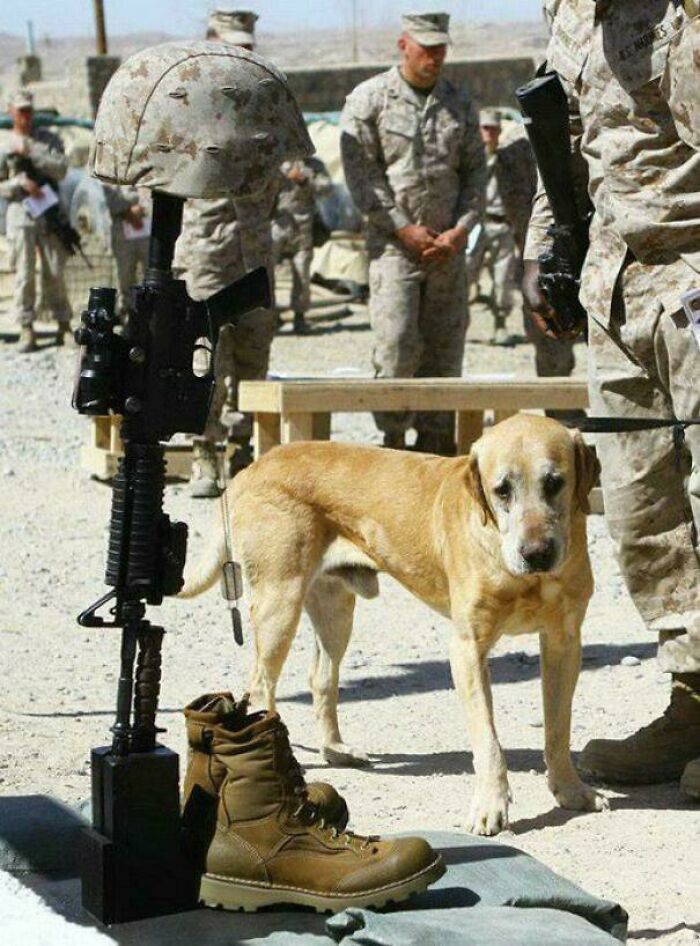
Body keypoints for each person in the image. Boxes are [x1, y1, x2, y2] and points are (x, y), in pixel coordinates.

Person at [523, 0, 700, 797]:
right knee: (639, 510)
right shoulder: (569, 12)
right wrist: (548, 246)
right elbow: (556, 139)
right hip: (616, 288)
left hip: (695, 271)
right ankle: (693, 700)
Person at [341, 12, 486, 454]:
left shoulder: (459, 103)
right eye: (426, 48)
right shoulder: (370, 100)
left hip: (447, 251)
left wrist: (460, 231)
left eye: (441, 48)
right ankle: (392, 440)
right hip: (394, 250)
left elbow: (476, 174)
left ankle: (436, 445)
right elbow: (362, 175)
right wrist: (402, 227)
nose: (435, 57)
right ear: (404, 44)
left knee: (445, 351)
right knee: (397, 344)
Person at [174, 9, 278, 497]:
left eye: (249, 46)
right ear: (210, 41)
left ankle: (245, 451)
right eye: (234, 44)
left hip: (255, 247)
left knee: (255, 351)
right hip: (209, 248)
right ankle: (204, 454)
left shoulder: (266, 104)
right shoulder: (185, 103)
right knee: (206, 354)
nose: (244, 54)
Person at [0, 89, 72, 353]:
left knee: (54, 269)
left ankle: (63, 323)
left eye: (29, 110)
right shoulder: (3, 144)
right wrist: (18, 183)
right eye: (21, 111)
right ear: (11, 112)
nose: (26, 116)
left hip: (49, 211)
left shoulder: (48, 140)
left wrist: (31, 151)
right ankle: (26, 327)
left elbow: (61, 169)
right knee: (25, 272)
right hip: (20, 212)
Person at [468, 109, 535, 347]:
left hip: (502, 224)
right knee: (464, 275)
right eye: (484, 128)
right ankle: (457, 325)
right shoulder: (473, 158)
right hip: (474, 226)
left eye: (493, 128)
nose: (489, 133)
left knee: (502, 280)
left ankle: (500, 324)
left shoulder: (508, 158)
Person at [272, 157, 332, 334]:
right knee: (266, 274)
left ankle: (300, 318)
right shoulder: (277, 162)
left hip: (303, 228)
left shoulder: (315, 166)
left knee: (302, 275)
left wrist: (305, 180)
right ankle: (270, 317)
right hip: (277, 226)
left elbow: (327, 188)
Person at [102, 184, 150, 322]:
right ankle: (127, 315)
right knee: (125, 276)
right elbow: (105, 193)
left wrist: (143, 207)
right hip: (121, 230)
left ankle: (150, 314)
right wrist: (128, 211)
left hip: (148, 224)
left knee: (153, 274)